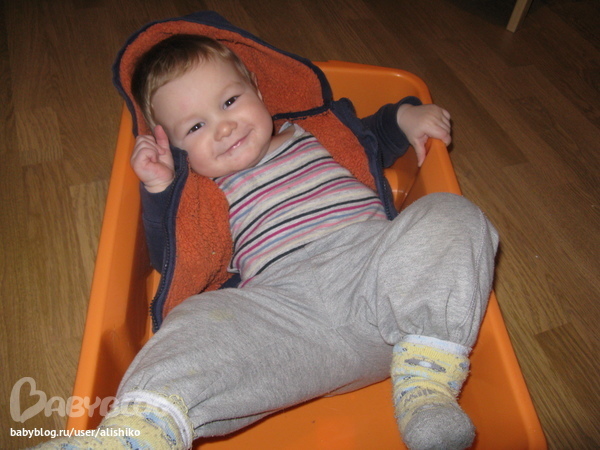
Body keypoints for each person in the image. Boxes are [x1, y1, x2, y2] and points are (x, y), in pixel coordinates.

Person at [37, 12, 498, 450]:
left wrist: (404, 116)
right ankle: (140, 432)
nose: (224, 127)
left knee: (450, 213)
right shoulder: (199, 190)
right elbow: (172, 257)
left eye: (229, 102)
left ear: (258, 89)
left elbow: (374, 134)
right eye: (195, 126)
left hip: (383, 288)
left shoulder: (317, 131)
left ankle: (426, 387)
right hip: (284, 323)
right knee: (193, 322)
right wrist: (161, 188)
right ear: (174, 147)